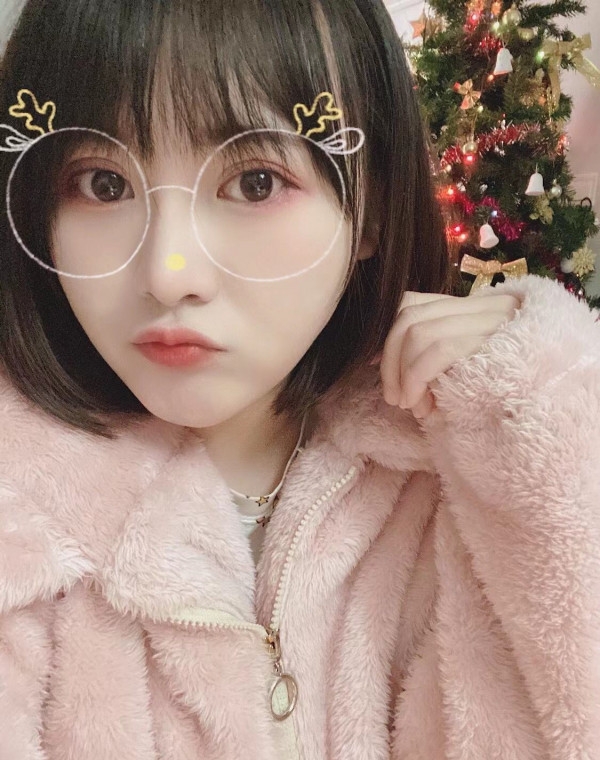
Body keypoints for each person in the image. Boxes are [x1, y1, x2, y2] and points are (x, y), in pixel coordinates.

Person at [0, 0, 599, 758]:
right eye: (102, 184)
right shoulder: (20, 531)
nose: (168, 273)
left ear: (371, 209)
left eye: (255, 182)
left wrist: (538, 412)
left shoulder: (465, 487)